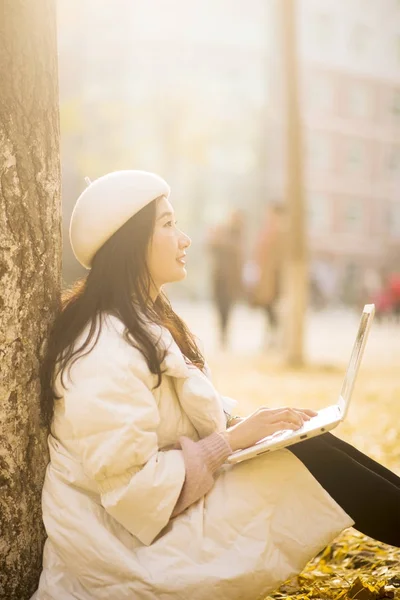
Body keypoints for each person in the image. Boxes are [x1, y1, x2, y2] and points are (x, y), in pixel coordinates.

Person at [32, 171, 400, 600]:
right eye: (168, 225)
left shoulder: (142, 319)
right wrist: (231, 440)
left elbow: (180, 415)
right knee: (307, 462)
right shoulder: (102, 349)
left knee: (311, 443)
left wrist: (256, 427)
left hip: (163, 515)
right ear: (130, 242)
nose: (185, 239)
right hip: (125, 550)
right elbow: (131, 493)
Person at [249, 202, 286, 348]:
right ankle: (272, 337)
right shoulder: (268, 230)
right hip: (266, 276)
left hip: (275, 277)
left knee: (273, 308)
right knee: (268, 308)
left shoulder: (281, 231)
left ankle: (275, 338)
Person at [207, 210, 245, 347]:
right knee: (220, 307)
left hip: (230, 280)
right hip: (219, 278)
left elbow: (239, 258)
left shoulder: (238, 236)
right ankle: (222, 334)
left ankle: (224, 334)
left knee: (227, 308)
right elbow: (211, 247)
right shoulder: (223, 233)